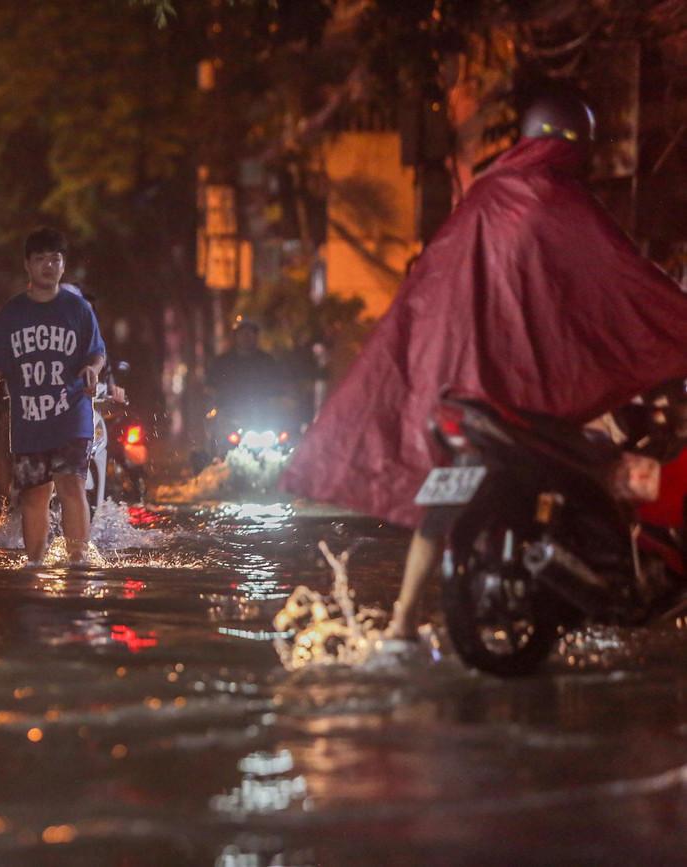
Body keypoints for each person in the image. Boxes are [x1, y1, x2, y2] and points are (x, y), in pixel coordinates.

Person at [279, 89, 687, 641]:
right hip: (522, 387)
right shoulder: (560, 199)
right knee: (595, 465)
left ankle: (401, 621)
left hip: (460, 384)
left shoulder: (486, 192)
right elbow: (622, 279)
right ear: (577, 146)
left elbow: (436, 284)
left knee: (442, 500)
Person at [0, 228, 106, 566]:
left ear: (63, 265)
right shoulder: (12, 315)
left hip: (72, 414)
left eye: (55, 260)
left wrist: (92, 369)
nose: (48, 266)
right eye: (41, 259)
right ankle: (35, 566)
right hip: (28, 420)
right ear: (27, 265)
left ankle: (78, 564)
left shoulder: (78, 310)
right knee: (34, 493)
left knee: (72, 486)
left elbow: (97, 352)